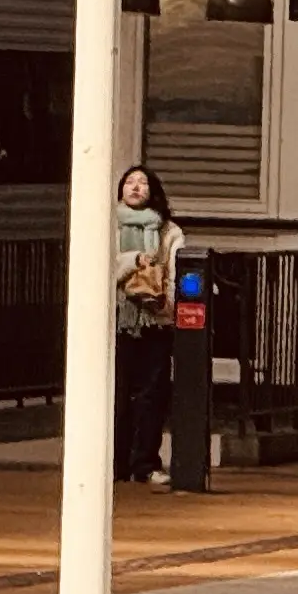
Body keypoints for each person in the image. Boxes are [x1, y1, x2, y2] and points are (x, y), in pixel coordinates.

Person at [112, 164, 180, 486]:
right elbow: (105, 267)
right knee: (118, 393)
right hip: (119, 320)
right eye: (130, 182)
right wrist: (135, 259)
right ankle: (115, 463)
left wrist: (169, 305)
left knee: (152, 393)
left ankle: (146, 463)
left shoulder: (169, 231)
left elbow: (175, 269)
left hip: (155, 319)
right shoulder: (107, 225)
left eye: (143, 183)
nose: (136, 187)